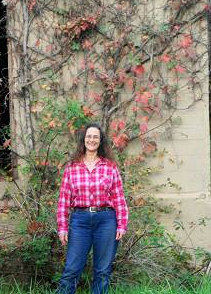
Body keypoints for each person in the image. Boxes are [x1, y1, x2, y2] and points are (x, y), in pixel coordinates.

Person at [56, 122, 129, 294]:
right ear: (84, 140)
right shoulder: (72, 167)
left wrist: (122, 224)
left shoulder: (110, 167)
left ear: (100, 141)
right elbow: (64, 200)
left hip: (106, 221)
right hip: (79, 221)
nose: (92, 139)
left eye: (96, 137)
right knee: (71, 270)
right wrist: (62, 227)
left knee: (102, 271)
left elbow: (119, 197)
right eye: (89, 136)